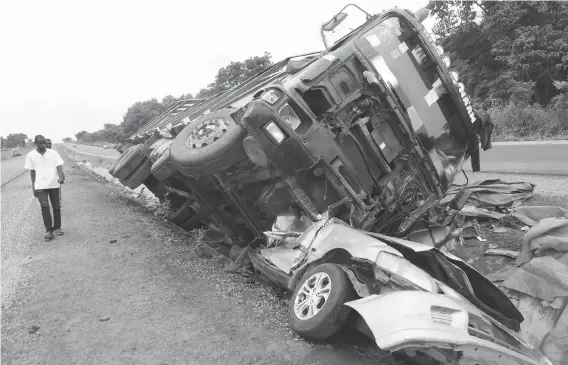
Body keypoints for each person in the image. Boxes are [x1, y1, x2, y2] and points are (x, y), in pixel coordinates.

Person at [24, 135, 66, 241]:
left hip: (53, 183)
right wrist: (34, 187)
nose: (43, 145)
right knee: (45, 207)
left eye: (44, 143)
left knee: (56, 206)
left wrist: (61, 177)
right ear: (35, 144)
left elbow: (59, 166)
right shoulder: (31, 155)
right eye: (41, 143)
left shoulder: (53, 153)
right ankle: (48, 231)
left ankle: (57, 228)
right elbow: (32, 172)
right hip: (40, 185)